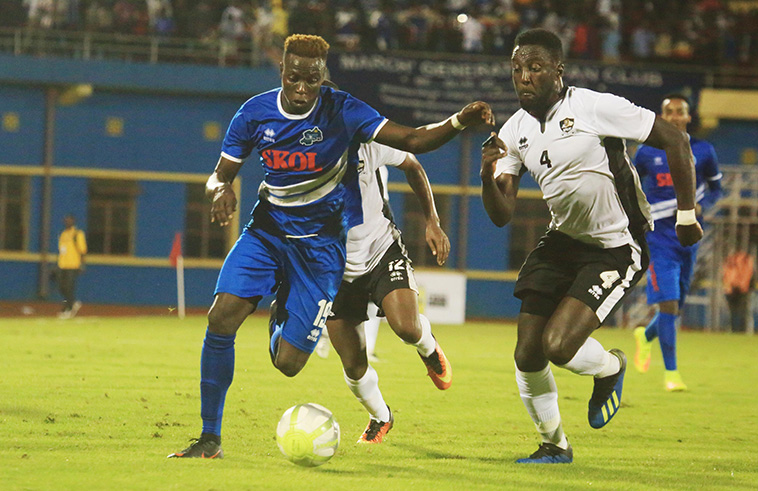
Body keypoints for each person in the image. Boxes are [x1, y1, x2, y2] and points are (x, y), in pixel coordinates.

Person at [169, 34, 493, 459]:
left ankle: (284, 307)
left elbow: (413, 143)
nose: (302, 88)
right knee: (221, 318)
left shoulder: (345, 112)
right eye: (293, 78)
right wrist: (219, 189)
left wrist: (458, 121)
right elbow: (219, 174)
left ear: (323, 76)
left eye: (312, 79)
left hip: (321, 253)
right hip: (268, 232)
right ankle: (210, 439)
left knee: (288, 364)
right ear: (281, 72)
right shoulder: (253, 113)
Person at [479, 28, 702, 464]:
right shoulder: (515, 129)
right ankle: (554, 445)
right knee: (527, 352)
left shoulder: (595, 107)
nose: (524, 77)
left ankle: (611, 367)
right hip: (563, 240)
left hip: (616, 244)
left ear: (558, 71)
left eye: (535, 67)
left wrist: (687, 215)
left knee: (559, 347)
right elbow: (502, 213)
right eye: (517, 69)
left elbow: (677, 140)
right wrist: (487, 176)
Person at [325, 136, 452, 444]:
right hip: (333, 264)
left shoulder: (365, 136)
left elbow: (412, 163)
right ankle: (381, 417)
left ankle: (428, 346)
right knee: (353, 364)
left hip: (381, 249)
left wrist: (432, 221)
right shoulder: (297, 150)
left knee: (406, 327)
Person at [632, 94, 722, 392]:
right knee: (668, 305)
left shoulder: (704, 150)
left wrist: (703, 205)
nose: (674, 116)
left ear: (688, 116)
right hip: (658, 238)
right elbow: (629, 184)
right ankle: (671, 373)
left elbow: (716, 188)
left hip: (689, 238)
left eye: (679, 111)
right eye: (668, 112)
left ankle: (645, 336)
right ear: (661, 117)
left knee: (675, 307)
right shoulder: (647, 152)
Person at [56, 214, 87, 319]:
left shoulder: (78, 234)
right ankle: (72, 303)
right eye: (66, 220)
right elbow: (61, 250)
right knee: (61, 287)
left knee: (69, 287)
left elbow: (82, 250)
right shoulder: (63, 234)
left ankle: (68, 308)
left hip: (73, 264)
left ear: (73, 221)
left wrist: (82, 264)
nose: (67, 222)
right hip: (62, 264)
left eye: (69, 220)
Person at [723, 250, 753, 333]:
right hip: (733, 289)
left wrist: (740, 285)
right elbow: (727, 275)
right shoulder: (732, 260)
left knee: (741, 312)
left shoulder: (745, 260)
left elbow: (747, 274)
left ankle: (741, 330)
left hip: (740, 289)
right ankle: (734, 329)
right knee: (733, 312)